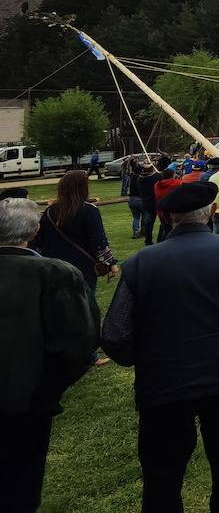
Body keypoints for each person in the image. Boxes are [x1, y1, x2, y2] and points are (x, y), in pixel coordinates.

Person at [101, 181, 219, 512]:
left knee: (162, 472)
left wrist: (144, 357)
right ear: (212, 212)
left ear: (167, 219)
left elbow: (116, 333)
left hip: (163, 380)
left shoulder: (139, 263)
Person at [0, 197, 101, 513]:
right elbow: (79, 341)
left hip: (29, 397)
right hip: (27, 401)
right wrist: (48, 388)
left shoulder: (52, 272)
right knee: (21, 483)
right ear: (35, 230)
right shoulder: (55, 273)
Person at [34, 170, 119, 301]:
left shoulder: (50, 211)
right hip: (82, 267)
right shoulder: (89, 210)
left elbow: (39, 239)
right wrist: (110, 262)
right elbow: (98, 241)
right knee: (83, 304)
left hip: (54, 266)